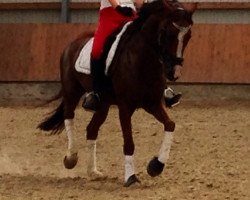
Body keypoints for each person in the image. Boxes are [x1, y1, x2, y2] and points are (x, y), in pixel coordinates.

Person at [82, 0, 182, 112]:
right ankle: (95, 93)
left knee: (151, 43)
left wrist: (145, 7)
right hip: (110, 14)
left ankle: (163, 89)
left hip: (130, 14)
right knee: (97, 50)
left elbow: (138, 1)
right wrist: (118, 7)